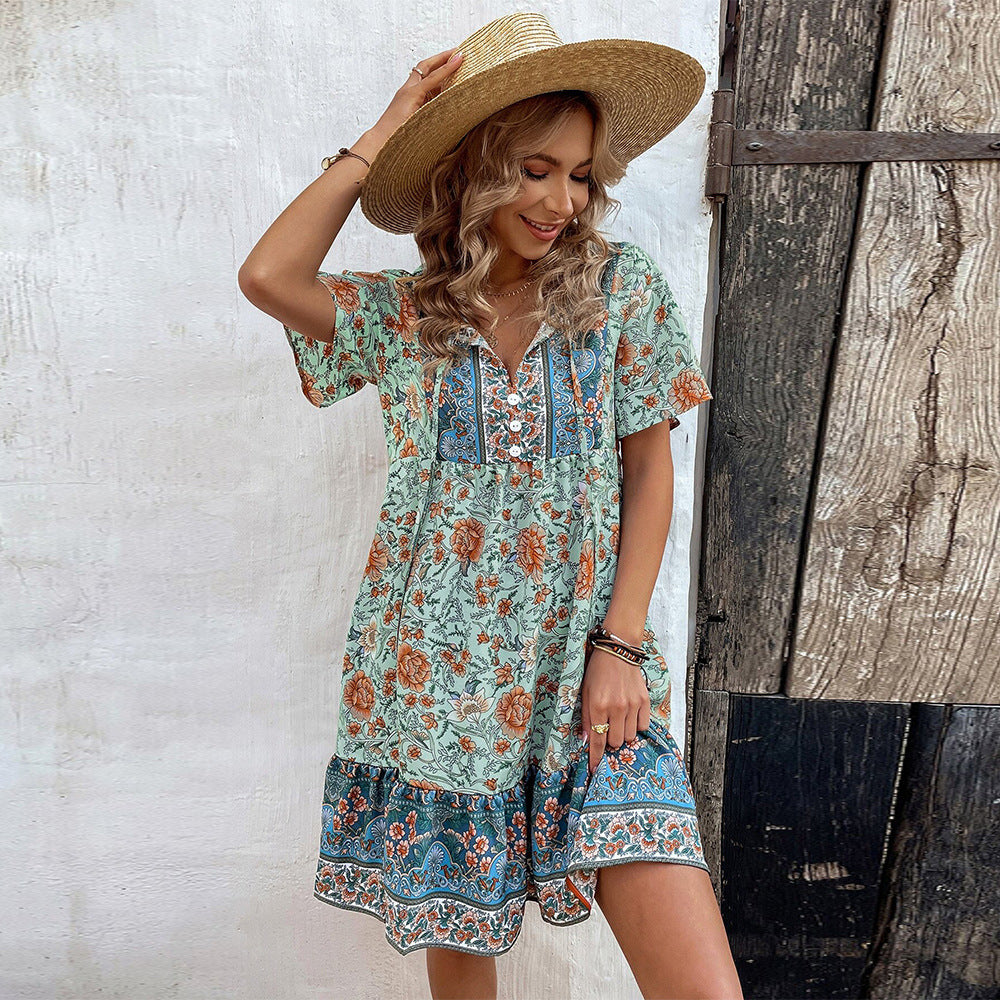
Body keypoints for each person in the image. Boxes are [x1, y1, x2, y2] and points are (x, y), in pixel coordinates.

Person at [239, 12, 742, 1000]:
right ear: (471, 169)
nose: (562, 200)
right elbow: (268, 276)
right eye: (533, 169)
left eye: (581, 175)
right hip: (439, 679)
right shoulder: (405, 317)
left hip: (589, 668)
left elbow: (650, 472)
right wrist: (385, 133)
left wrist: (621, 645)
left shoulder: (618, 289)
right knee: (461, 961)